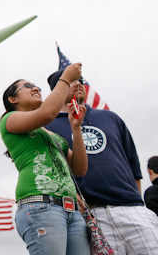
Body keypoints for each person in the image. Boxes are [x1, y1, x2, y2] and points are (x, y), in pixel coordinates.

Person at [46, 70, 158, 255]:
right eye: (70, 81)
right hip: (89, 215)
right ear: (57, 90)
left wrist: (135, 202)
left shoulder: (111, 117)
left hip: (133, 210)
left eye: (80, 80)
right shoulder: (48, 127)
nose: (78, 83)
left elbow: (133, 166)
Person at [0, 63, 89, 255]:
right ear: (12, 99)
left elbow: (80, 169)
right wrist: (65, 78)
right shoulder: (9, 119)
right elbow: (47, 113)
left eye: (37, 87)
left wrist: (76, 128)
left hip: (72, 211)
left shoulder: (50, 133)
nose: (35, 88)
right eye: (27, 86)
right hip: (40, 205)